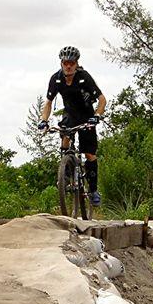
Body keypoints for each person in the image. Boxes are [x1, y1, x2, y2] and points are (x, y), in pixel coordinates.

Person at [38, 46, 106, 206]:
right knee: (65, 138)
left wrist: (97, 116)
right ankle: (66, 174)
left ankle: (93, 190)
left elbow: (102, 99)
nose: (68, 66)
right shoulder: (56, 79)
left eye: (72, 63)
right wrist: (43, 120)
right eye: (65, 63)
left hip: (87, 116)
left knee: (89, 153)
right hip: (70, 114)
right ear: (61, 63)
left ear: (76, 64)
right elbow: (48, 103)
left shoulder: (84, 77)